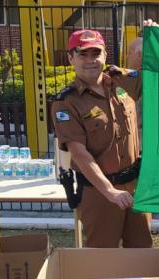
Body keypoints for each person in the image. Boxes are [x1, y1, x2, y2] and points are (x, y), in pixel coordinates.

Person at [51, 27, 152, 248]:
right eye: (82, 54)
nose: (90, 60)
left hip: (136, 187)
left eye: (96, 53)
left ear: (105, 55)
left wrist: (153, 39)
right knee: (102, 260)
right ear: (71, 58)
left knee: (143, 252)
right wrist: (110, 192)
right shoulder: (66, 102)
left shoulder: (122, 81)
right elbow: (79, 153)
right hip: (99, 192)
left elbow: (156, 73)